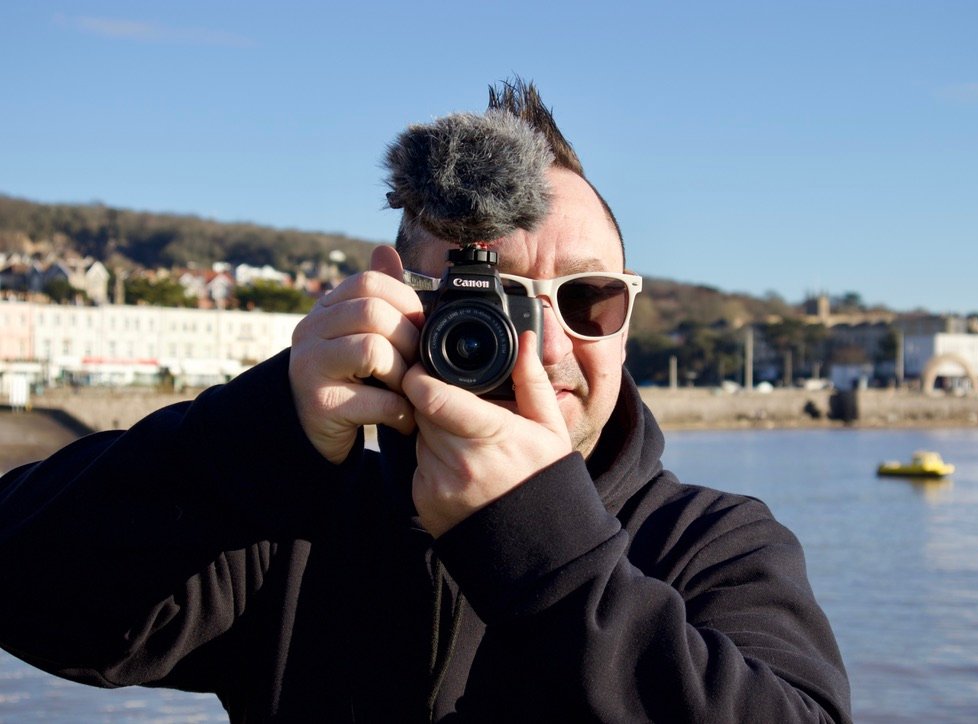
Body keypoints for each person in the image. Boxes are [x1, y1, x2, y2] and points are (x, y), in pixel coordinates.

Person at [0, 80, 851, 722]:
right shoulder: (291, 524)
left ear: (627, 321)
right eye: (491, 303)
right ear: (394, 298)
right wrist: (265, 429)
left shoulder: (714, 546)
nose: (544, 346)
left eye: (589, 300)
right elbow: (30, 591)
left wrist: (544, 550)